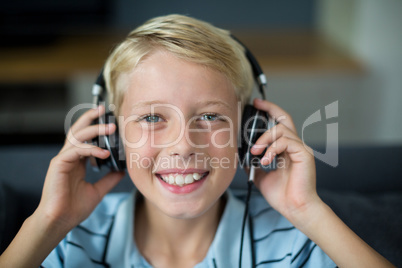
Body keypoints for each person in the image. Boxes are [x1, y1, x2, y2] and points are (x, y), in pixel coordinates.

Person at [0, 14, 395, 268]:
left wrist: (308, 211)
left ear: (249, 132)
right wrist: (48, 223)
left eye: (209, 117)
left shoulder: (291, 245)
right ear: (112, 135)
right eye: (152, 117)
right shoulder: (70, 244)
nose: (183, 146)